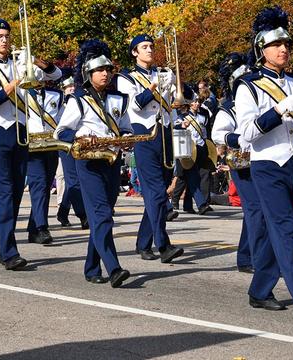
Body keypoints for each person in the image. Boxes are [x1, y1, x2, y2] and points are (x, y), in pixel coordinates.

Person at [234, 6, 293, 314]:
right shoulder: (248, 85)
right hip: (266, 163)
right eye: (276, 44)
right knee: (286, 228)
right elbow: (247, 133)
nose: (284, 49)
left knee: (281, 229)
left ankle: (260, 289)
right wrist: (278, 110)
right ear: (262, 49)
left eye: (287, 44)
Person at [0, 18, 61, 270]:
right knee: (3, 192)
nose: (4, 39)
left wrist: (35, 61)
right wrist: (18, 80)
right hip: (0, 133)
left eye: (7, 35)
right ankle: (8, 251)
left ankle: (8, 245)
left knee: (15, 195)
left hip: (22, 130)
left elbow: (56, 74)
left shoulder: (19, 61)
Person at [54, 39, 132, 287]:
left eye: (108, 69)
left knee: (103, 215)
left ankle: (90, 266)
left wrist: (128, 139)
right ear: (88, 73)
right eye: (100, 70)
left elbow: (126, 128)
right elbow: (61, 132)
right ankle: (114, 267)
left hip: (112, 162)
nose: (105, 74)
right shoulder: (78, 100)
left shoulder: (119, 100)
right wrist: (80, 137)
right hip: (87, 163)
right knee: (101, 215)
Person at [115, 34, 184, 264]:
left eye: (151, 46)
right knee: (155, 193)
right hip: (143, 134)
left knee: (159, 192)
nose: (149, 50)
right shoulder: (126, 77)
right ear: (134, 52)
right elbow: (135, 104)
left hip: (164, 132)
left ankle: (143, 243)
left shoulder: (160, 72)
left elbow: (170, 104)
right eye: (144, 47)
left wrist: (177, 113)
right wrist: (156, 86)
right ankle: (163, 245)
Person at [211, 52, 253, 273]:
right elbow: (218, 134)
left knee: (263, 211)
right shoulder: (228, 107)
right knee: (254, 210)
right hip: (241, 162)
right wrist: (240, 139)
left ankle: (256, 256)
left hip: (264, 160)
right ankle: (247, 258)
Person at [25, 72, 65, 244]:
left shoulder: (57, 95)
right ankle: (42, 228)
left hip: (51, 145)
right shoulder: (22, 94)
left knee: (45, 187)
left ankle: (33, 228)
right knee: (39, 185)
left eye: (40, 74)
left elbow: (62, 120)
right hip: (31, 147)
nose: (37, 77)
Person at [55, 70, 88, 229]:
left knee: (74, 181)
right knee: (72, 180)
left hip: (80, 143)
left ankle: (63, 210)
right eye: (68, 87)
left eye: (73, 86)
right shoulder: (59, 102)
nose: (71, 89)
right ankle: (83, 215)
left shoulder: (79, 99)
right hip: (66, 144)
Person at [172, 91, 213, 215]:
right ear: (189, 104)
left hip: (200, 148)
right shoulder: (181, 116)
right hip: (187, 149)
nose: (196, 104)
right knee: (186, 176)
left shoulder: (202, 116)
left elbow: (205, 132)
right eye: (194, 102)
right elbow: (174, 129)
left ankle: (189, 204)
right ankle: (198, 203)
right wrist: (182, 126)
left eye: (198, 102)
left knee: (196, 175)